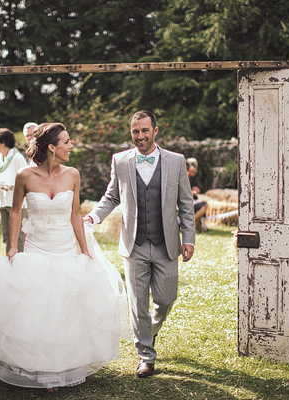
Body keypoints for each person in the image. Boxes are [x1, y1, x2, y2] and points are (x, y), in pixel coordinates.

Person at [0, 122, 128, 391]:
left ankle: (63, 366)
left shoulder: (73, 175)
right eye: (67, 142)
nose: (71, 146)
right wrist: (12, 247)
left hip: (66, 248)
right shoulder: (24, 176)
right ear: (52, 148)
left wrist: (85, 250)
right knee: (38, 308)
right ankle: (40, 368)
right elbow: (16, 211)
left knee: (66, 309)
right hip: (37, 248)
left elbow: (75, 214)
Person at [84, 110, 195, 378]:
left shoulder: (177, 161)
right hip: (134, 245)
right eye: (135, 131)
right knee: (138, 303)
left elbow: (185, 204)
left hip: (166, 243)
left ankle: (149, 330)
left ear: (155, 131)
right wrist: (94, 216)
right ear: (131, 132)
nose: (140, 136)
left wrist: (188, 238)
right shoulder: (120, 161)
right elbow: (111, 196)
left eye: (145, 130)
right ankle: (146, 355)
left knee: (166, 298)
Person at [0, 128, 29, 253]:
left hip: (16, 203)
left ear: (3, 142)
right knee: (6, 236)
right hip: (2, 202)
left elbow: (26, 179)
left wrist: (11, 186)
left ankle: (20, 264)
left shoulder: (17, 157)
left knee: (18, 237)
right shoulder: (0, 158)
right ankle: (9, 263)